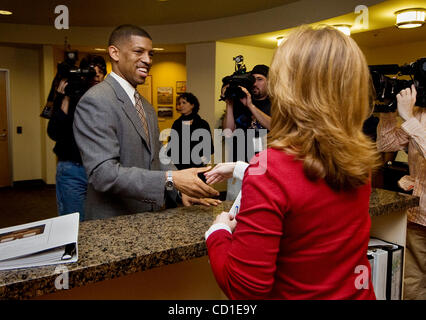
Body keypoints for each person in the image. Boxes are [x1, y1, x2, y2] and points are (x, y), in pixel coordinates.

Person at [204, 26, 381, 299]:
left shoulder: (271, 170)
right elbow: (307, 184)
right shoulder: (359, 159)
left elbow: (244, 290)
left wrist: (217, 231)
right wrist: (244, 169)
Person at [73, 25, 219, 220]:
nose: (148, 60)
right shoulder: (97, 100)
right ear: (114, 53)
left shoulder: (146, 107)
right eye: (138, 52)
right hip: (113, 223)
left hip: (149, 217)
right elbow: (103, 174)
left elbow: (158, 157)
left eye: (150, 54)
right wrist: (171, 179)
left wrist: (181, 189)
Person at [376, 85, 426, 300]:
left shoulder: (413, 116)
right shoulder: (419, 114)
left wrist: (408, 117)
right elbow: (386, 143)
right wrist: (387, 112)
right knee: (412, 280)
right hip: (419, 213)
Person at [47, 54, 106, 221]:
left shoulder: (107, 100)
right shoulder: (70, 95)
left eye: (101, 71)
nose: (97, 75)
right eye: (92, 71)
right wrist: (64, 97)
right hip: (72, 168)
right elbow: (54, 132)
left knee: (101, 222)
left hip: (100, 170)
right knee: (72, 223)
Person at [168, 92, 214, 179]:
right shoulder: (177, 124)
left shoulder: (202, 124)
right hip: (180, 166)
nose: (181, 105)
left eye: (184, 103)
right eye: (179, 103)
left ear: (192, 105)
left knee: (198, 190)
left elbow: (209, 148)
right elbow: (171, 146)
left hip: (197, 166)